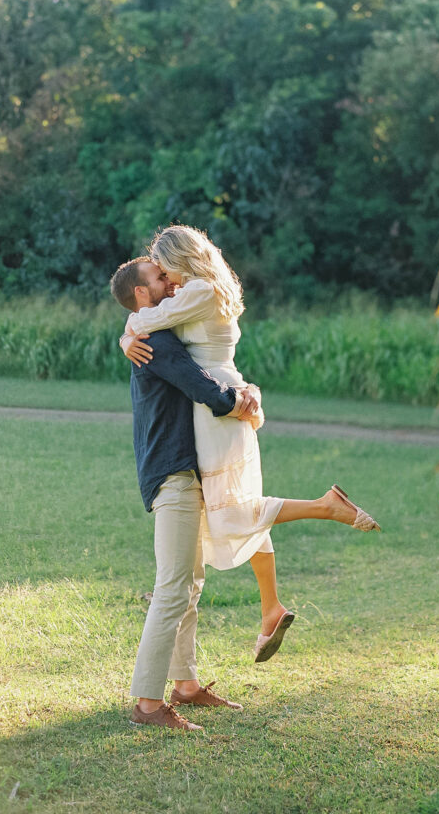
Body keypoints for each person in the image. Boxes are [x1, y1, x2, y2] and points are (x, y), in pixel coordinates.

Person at [119, 225, 381, 665]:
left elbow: (144, 318)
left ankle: (326, 506)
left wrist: (127, 335)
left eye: (165, 269)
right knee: (235, 505)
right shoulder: (208, 288)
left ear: (182, 260)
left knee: (234, 510)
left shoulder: (198, 290)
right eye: (160, 274)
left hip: (218, 408)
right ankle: (270, 607)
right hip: (223, 398)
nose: (166, 279)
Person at [110, 255, 261, 732]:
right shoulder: (154, 342)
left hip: (183, 469)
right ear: (141, 293)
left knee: (189, 585)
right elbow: (203, 389)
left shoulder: (154, 333)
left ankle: (187, 686)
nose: (169, 284)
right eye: (159, 279)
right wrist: (241, 400)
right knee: (173, 587)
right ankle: (148, 705)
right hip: (172, 472)